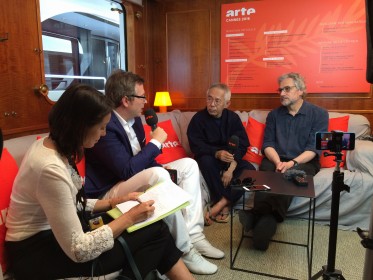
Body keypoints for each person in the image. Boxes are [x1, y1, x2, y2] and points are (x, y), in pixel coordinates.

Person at [5, 84, 194, 280]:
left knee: (155, 227)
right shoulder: (49, 168)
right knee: (156, 233)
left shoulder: (54, 145)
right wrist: (129, 217)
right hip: (35, 251)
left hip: (58, 233)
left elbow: (69, 203)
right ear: (81, 126)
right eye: (101, 127)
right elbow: (80, 250)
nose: (104, 133)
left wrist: (116, 201)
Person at [84, 70, 223, 275]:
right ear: (126, 100)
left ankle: (194, 235)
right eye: (141, 96)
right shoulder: (107, 126)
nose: (145, 101)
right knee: (158, 177)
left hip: (133, 177)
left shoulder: (137, 120)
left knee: (188, 165)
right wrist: (156, 142)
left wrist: (158, 164)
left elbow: (142, 159)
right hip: (110, 189)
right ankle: (184, 250)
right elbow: (126, 170)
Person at [239, 72, 329, 251]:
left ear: (301, 91)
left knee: (291, 175)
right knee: (265, 175)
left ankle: (256, 216)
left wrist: (292, 163)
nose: (281, 93)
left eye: (287, 89)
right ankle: (266, 224)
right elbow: (268, 144)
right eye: (280, 89)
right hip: (275, 158)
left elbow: (314, 148)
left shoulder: (319, 114)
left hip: (304, 161)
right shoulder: (274, 115)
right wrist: (278, 161)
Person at [187, 83, 255, 225]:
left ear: (227, 103)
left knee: (250, 170)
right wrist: (216, 153)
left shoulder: (233, 118)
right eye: (209, 99)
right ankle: (224, 204)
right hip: (210, 158)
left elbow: (243, 144)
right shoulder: (198, 119)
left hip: (230, 159)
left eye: (217, 101)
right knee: (205, 161)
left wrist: (232, 166)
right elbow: (195, 145)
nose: (211, 104)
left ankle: (219, 204)